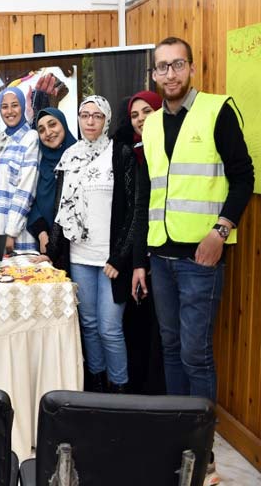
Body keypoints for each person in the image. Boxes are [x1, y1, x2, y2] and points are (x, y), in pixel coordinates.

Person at [132, 37, 253, 483]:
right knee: (170, 349)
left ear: (191, 67)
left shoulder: (217, 110)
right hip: (160, 255)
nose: (169, 74)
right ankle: (180, 440)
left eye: (176, 65)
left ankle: (204, 457)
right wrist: (142, 259)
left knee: (196, 355)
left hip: (200, 256)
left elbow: (243, 177)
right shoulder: (151, 125)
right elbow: (149, 193)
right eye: (161, 68)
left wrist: (220, 232)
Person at [47, 95, 132, 393]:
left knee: (110, 329)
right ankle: (96, 386)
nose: (91, 121)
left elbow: (133, 211)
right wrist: (50, 254)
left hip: (111, 260)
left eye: (97, 115)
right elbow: (61, 209)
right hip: (80, 257)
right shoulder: (69, 155)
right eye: (85, 115)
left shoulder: (120, 154)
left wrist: (120, 258)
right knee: (90, 326)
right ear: (79, 119)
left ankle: (119, 391)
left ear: (106, 119)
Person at [123, 90, 166, 395]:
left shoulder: (162, 149)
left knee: (166, 335)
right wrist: (139, 260)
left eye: (146, 112)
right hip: (145, 252)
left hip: (167, 250)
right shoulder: (137, 152)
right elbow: (140, 210)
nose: (140, 120)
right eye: (135, 115)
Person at [0, 87, 40, 252]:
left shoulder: (31, 138)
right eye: (4, 106)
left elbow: (26, 190)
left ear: (22, 106)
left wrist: (11, 233)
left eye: (14, 105)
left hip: (16, 235)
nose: (10, 111)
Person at [26, 108, 76, 254]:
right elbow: (33, 202)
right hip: (46, 245)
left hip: (76, 247)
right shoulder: (40, 162)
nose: (48, 133)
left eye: (52, 124)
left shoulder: (80, 158)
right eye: (41, 130)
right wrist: (42, 235)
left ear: (64, 125)